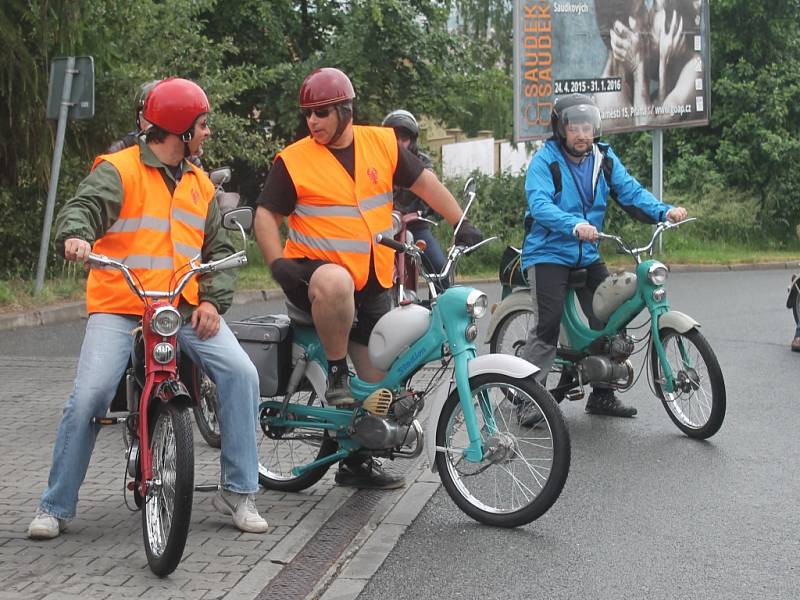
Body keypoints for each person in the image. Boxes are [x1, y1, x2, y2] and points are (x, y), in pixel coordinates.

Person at [27, 77, 269, 539]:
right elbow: (82, 208)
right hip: (121, 307)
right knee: (92, 396)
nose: (207, 133)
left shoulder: (199, 184)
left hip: (182, 307)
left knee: (242, 374)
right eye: (202, 125)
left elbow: (217, 251)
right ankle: (55, 506)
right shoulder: (118, 171)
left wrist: (214, 302)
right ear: (179, 130)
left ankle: (239, 491)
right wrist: (76, 235)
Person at [254, 67, 482, 489]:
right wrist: (275, 262)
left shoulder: (382, 143)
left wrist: (459, 221)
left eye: (321, 112)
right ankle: (335, 371)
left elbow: (425, 183)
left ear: (345, 109)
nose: (313, 122)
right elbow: (265, 215)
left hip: (373, 277)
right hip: (313, 274)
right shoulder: (295, 160)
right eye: (307, 114)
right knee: (337, 286)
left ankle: (355, 464)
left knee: (377, 390)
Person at [520, 93, 687, 423]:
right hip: (548, 252)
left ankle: (602, 395)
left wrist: (663, 211)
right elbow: (540, 205)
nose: (582, 135)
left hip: (587, 253)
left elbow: (631, 192)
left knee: (610, 319)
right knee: (547, 327)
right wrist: (574, 225)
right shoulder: (545, 161)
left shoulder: (603, 158)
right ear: (560, 129)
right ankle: (527, 399)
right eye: (574, 128)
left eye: (587, 127)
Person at [381, 109, 448, 288]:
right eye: (395, 138)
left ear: (413, 141)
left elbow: (431, 185)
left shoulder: (422, 163)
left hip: (415, 224)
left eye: (404, 139)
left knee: (440, 270)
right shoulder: (375, 161)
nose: (399, 144)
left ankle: (442, 312)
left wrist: (433, 205)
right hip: (382, 226)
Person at [108, 79, 207, 167]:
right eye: (147, 115)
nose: (154, 121)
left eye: (160, 115)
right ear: (138, 117)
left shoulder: (185, 154)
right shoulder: (120, 149)